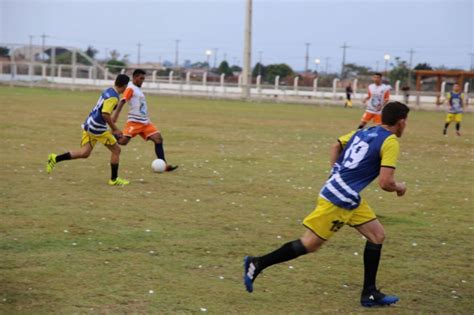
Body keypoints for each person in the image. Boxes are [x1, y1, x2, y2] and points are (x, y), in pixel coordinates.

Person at [243, 101, 410, 307]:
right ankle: (257, 263)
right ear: (401, 122)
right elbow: (385, 182)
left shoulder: (366, 132)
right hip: (339, 199)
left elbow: (336, 145)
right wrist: (400, 187)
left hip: (348, 196)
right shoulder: (391, 141)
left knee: (377, 235)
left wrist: (335, 173)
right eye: (406, 122)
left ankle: (370, 293)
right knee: (309, 244)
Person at [46, 74, 131, 186]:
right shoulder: (114, 97)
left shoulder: (109, 90)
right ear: (124, 85)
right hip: (97, 127)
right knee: (116, 150)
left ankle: (55, 158)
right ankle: (114, 179)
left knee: (84, 153)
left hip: (90, 123)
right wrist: (115, 129)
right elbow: (105, 114)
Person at [112, 69, 178, 171]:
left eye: (143, 78)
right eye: (141, 78)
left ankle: (164, 165)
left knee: (158, 139)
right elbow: (123, 101)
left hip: (145, 122)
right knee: (123, 141)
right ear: (134, 78)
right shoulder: (130, 88)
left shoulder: (137, 89)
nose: (142, 81)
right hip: (134, 122)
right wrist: (115, 116)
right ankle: (109, 135)